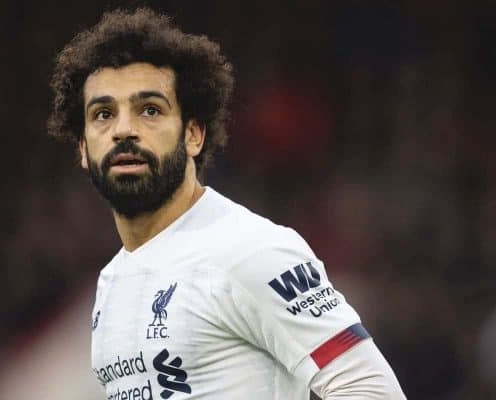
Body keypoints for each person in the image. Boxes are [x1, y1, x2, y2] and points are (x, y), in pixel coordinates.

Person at [48, 8, 406, 400]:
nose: (124, 130)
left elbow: (371, 389)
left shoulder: (251, 250)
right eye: (103, 114)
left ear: (193, 135)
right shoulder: (111, 282)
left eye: (149, 109)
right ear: (83, 148)